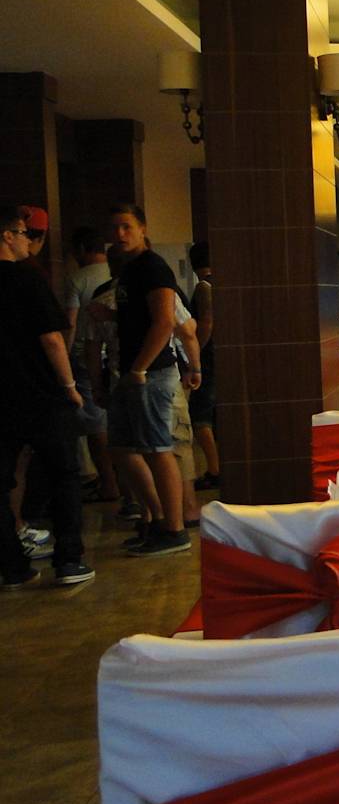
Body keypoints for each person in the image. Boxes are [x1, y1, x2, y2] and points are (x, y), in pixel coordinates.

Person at [0, 205, 94, 588]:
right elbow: (52, 338)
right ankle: (69, 560)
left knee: (1, 482)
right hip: (40, 394)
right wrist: (70, 387)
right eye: (23, 233)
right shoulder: (28, 278)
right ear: (7, 236)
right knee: (63, 475)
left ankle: (12, 566)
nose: (28, 241)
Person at [106, 203, 190, 557]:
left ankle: (174, 528)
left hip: (151, 373)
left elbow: (165, 321)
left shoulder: (153, 267)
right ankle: (156, 519)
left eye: (127, 226)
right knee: (125, 447)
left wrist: (140, 368)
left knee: (157, 449)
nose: (120, 234)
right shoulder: (129, 269)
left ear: (142, 228)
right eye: (115, 228)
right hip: (133, 371)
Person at [65, 227, 118, 502]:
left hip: (87, 356)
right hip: (120, 355)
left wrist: (64, 358)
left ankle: (109, 483)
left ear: (82, 249)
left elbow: (71, 323)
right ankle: (126, 487)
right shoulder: (117, 272)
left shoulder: (77, 279)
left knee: (96, 423)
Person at [188, 241, 220, 490]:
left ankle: (214, 469)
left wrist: (194, 353)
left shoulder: (203, 286)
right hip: (223, 356)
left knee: (200, 415)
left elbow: (206, 322)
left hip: (208, 356)